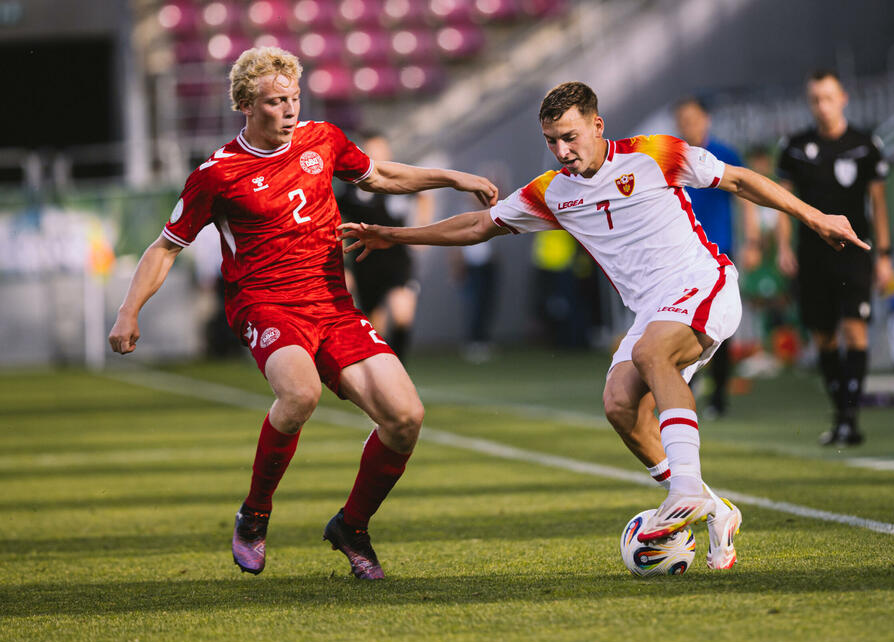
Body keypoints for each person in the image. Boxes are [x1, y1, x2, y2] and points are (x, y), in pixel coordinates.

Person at [341, 81, 866, 568]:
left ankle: (684, 489)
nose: (562, 150)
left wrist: (815, 217)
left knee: (652, 354)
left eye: (570, 136)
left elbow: (740, 180)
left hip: (703, 282)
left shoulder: (655, 153)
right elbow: (480, 224)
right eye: (551, 141)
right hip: (653, 310)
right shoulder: (552, 192)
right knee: (619, 404)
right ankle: (713, 508)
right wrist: (395, 235)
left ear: (597, 125)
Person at [107, 47, 497, 580]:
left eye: (294, 98)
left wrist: (451, 178)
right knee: (300, 393)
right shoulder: (217, 174)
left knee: (406, 417)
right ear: (246, 105)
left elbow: (380, 175)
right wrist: (128, 311)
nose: (289, 109)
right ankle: (254, 514)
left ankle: (351, 526)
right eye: (275, 101)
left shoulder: (323, 139)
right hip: (265, 303)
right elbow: (165, 247)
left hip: (331, 303)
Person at [775, 69, 893, 447]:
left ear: (843, 98)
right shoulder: (795, 147)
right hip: (812, 256)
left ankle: (849, 419)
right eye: (815, 99)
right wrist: (783, 246)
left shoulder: (865, 145)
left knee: (855, 330)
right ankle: (841, 415)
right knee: (824, 337)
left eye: (828, 97)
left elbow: (878, 203)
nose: (822, 106)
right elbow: (784, 202)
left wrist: (884, 255)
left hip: (855, 252)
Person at [674, 97, 760, 416]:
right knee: (680, 323)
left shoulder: (724, 154)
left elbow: (745, 196)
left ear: (706, 119)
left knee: (719, 327)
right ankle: (685, 389)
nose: (689, 125)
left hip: (719, 252)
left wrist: (752, 241)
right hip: (681, 256)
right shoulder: (673, 158)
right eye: (683, 120)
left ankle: (719, 395)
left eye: (693, 118)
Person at [339, 131, 434, 364]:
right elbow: (337, 223)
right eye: (370, 150)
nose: (376, 154)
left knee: (403, 314)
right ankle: (384, 366)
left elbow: (424, 196)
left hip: (398, 258)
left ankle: (399, 364)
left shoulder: (397, 179)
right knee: (376, 325)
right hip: (366, 261)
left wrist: (423, 228)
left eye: (379, 149)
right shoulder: (352, 188)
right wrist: (342, 263)